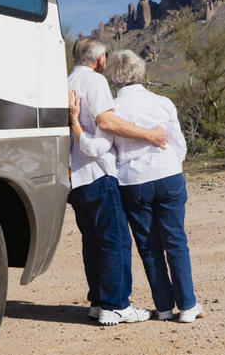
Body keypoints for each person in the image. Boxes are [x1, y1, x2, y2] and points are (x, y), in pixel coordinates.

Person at [70, 49, 203, 323]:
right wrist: (170, 168)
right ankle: (188, 306)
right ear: (141, 72)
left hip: (132, 183)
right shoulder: (163, 102)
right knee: (176, 241)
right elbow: (178, 144)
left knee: (148, 246)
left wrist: (76, 125)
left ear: (113, 76)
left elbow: (101, 146)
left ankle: (164, 308)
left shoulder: (112, 110)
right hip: (167, 176)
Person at [67, 37, 168, 326]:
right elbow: (106, 125)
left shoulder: (67, 80)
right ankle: (116, 305)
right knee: (116, 241)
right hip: (98, 172)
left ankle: (98, 301)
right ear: (100, 60)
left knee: (93, 241)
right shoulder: (95, 82)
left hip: (75, 178)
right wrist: (149, 135)